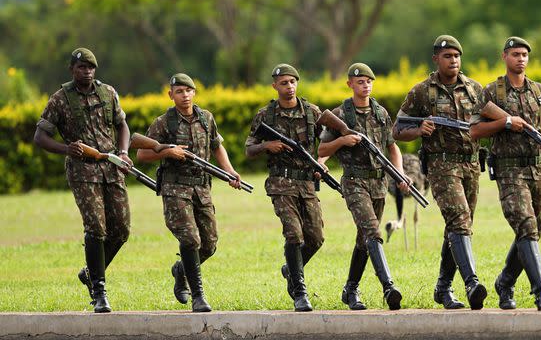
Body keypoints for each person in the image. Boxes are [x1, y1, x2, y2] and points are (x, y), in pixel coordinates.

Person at [32, 48, 132, 313]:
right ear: (72, 70)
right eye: (81, 68)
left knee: (121, 229)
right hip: (83, 171)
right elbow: (40, 137)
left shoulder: (108, 93)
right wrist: (67, 149)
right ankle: (99, 291)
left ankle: (89, 273)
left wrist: (123, 152)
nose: (86, 71)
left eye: (90, 67)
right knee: (96, 228)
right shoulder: (60, 99)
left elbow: (122, 125)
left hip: (111, 166)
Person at [393, 35, 487, 310]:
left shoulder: (474, 89)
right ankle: (472, 283)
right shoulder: (422, 91)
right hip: (441, 166)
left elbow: (486, 122)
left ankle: (443, 288)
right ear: (436, 59)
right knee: (459, 221)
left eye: (457, 56)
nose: (454, 61)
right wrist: (419, 130)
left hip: (471, 164)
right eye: (448, 56)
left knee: (461, 226)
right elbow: (397, 130)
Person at [469, 37, 541, 311]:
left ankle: (505, 282)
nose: (521, 59)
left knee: (535, 229)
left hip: (536, 168)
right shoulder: (492, 93)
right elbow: (474, 131)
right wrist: (506, 122)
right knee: (525, 225)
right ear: (504, 57)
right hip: (509, 170)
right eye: (515, 54)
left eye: (524, 55)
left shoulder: (539, 91)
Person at [136, 73, 241, 313]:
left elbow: (217, 146)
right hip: (175, 189)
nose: (184, 96)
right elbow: (141, 154)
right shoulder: (163, 123)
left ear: (194, 93)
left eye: (188, 91)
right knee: (190, 240)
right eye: (179, 91)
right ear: (170, 95)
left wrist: (230, 172)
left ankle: (181, 270)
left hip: (202, 188)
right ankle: (198, 296)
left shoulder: (206, 118)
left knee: (209, 244)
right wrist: (167, 153)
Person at [318, 63, 409, 311]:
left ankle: (351, 289)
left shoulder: (380, 112)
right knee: (373, 233)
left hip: (378, 182)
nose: (365, 85)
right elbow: (322, 150)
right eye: (360, 81)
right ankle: (389, 287)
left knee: (364, 240)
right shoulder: (340, 115)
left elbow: (392, 146)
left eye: (369, 81)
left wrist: (399, 171)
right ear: (350, 84)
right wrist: (343, 141)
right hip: (354, 182)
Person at [245, 64, 324, 312]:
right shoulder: (265, 116)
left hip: (307, 184)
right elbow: (249, 149)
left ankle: (291, 268)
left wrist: (322, 162)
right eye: (283, 83)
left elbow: (328, 143)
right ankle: (299, 291)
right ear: (274, 86)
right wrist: (267, 146)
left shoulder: (312, 112)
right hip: (281, 184)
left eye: (292, 82)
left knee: (316, 238)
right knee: (294, 234)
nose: (289, 87)